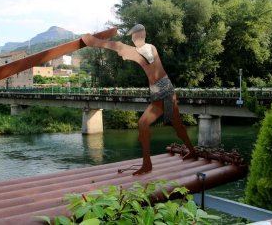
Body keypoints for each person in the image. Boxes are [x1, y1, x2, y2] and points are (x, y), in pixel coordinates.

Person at [82, 24, 197, 175]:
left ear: (139, 35)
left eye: (133, 36)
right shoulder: (151, 48)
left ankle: (147, 164)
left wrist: (94, 42)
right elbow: (126, 50)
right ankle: (192, 151)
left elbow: (118, 46)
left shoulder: (143, 50)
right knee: (177, 124)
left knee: (143, 123)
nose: (131, 39)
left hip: (162, 91)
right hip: (166, 89)